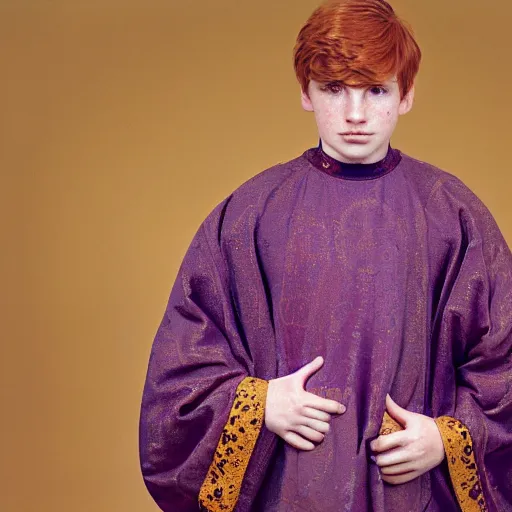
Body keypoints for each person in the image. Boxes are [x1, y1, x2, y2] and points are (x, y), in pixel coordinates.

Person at [139, 0, 512, 510]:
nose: (355, 115)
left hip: (412, 493)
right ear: (305, 93)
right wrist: (259, 405)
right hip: (290, 491)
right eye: (334, 89)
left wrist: (446, 439)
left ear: (406, 95)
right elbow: (180, 373)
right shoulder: (250, 215)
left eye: (375, 90)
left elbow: (504, 362)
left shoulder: (454, 216)